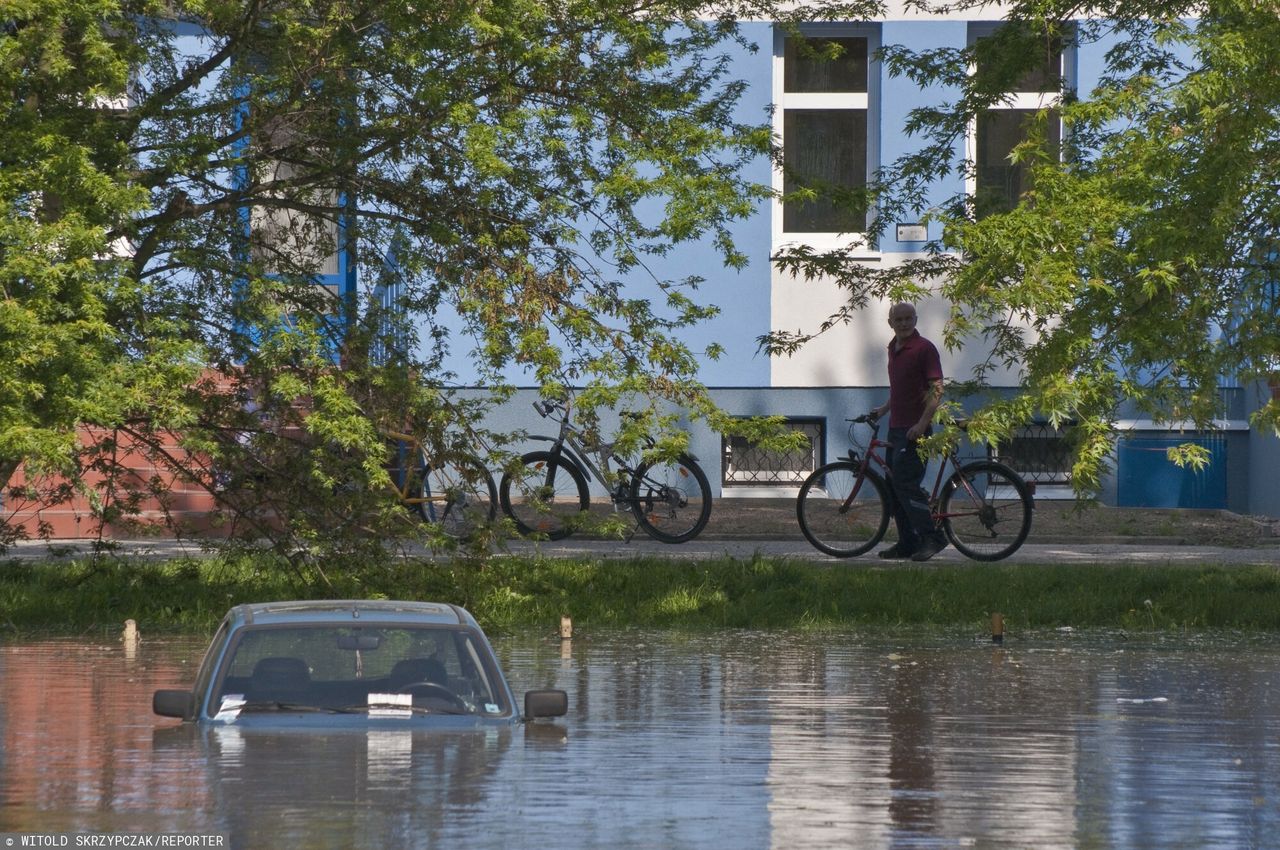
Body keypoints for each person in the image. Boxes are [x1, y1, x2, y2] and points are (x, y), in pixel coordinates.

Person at [869, 302, 947, 561]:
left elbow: (937, 389)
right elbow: (900, 389)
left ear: (916, 319)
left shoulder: (924, 349)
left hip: (915, 430)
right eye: (898, 319)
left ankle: (932, 537)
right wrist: (882, 410)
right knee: (893, 487)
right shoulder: (893, 348)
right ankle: (907, 542)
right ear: (890, 322)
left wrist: (922, 424)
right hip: (896, 428)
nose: (903, 323)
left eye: (908, 318)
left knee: (905, 483)